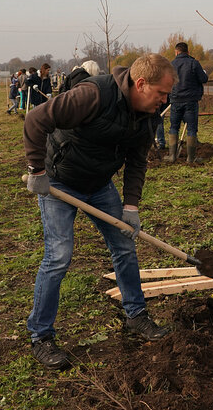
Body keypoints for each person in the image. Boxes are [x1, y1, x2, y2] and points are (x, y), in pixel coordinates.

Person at [24, 53, 177, 370]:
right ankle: (41, 336)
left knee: (124, 244)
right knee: (59, 255)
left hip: (99, 185)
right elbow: (36, 120)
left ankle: (136, 315)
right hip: (59, 182)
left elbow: (137, 160)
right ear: (141, 83)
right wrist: (37, 170)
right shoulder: (93, 94)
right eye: (162, 92)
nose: (166, 99)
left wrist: (131, 205)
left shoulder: (148, 114)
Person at [167, 42, 208, 163]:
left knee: (173, 127)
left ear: (176, 52)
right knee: (191, 128)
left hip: (175, 100)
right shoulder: (194, 63)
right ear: (188, 52)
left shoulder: (171, 65)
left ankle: (171, 156)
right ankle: (191, 158)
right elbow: (204, 79)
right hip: (191, 101)